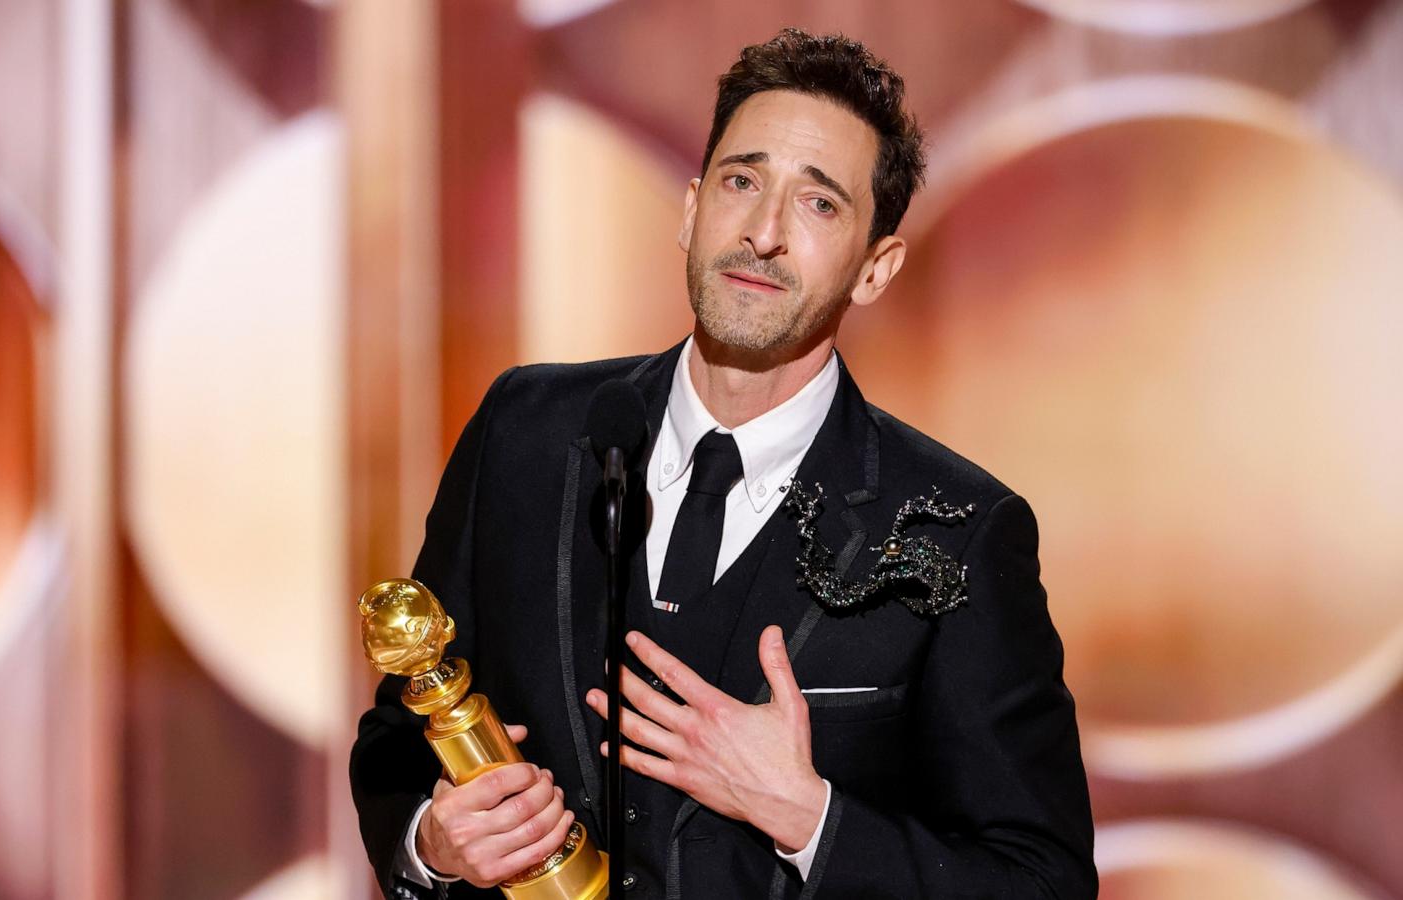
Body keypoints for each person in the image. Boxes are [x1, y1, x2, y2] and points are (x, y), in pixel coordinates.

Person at [351, 27, 1097, 899]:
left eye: (819, 205)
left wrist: (808, 818)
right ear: (692, 208)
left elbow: (1042, 881)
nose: (765, 233)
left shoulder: (956, 528)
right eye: (743, 182)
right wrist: (431, 843)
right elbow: (399, 738)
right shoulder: (525, 431)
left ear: (875, 269)